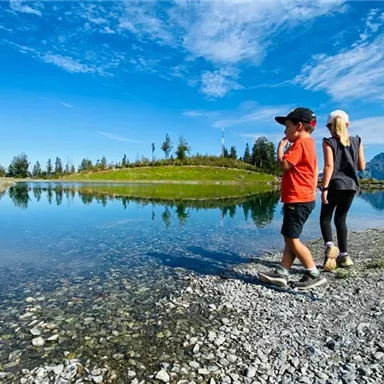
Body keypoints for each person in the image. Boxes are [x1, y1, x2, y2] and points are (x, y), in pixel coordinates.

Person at [258, 108, 327, 290]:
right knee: (291, 237)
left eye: (287, 126)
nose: (284, 131)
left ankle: (313, 273)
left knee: (291, 239)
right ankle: (282, 272)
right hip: (304, 198)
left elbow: (284, 164)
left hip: (297, 199)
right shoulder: (309, 144)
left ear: (298, 126)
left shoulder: (300, 144)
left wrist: (280, 149)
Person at [320, 110, 366, 271]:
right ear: (347, 125)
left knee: (325, 218)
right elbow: (361, 166)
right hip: (351, 186)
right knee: (341, 219)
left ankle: (330, 247)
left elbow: (328, 166)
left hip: (334, 185)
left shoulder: (328, 142)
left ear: (329, 127)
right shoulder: (357, 141)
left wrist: (324, 188)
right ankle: (344, 256)